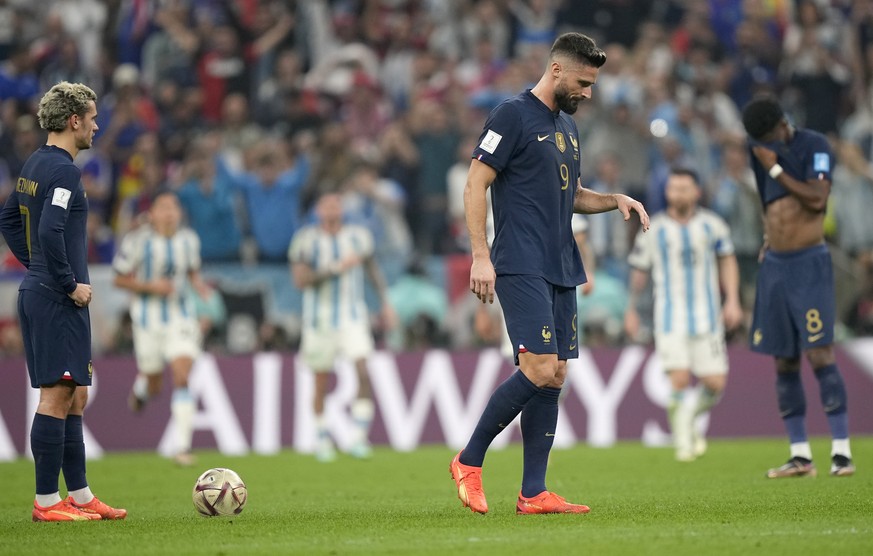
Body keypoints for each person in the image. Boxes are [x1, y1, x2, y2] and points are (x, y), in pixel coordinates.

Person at [451, 32, 649, 515]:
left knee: (556, 373)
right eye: (583, 82)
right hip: (520, 260)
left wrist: (613, 200)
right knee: (537, 366)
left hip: (562, 262)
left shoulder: (567, 127)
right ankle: (468, 460)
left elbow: (573, 193)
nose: (588, 92)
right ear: (557, 70)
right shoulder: (511, 115)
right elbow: (476, 182)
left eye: (593, 84)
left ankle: (534, 492)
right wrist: (481, 256)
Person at [0, 82, 127, 521]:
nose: (96, 124)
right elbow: (52, 230)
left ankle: (81, 494)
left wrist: (35, 266)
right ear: (74, 121)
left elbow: (7, 219)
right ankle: (46, 502)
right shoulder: (66, 172)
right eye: (91, 117)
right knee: (57, 396)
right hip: (56, 297)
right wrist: (67, 281)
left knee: (75, 396)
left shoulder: (35, 162)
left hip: (42, 290)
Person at [741, 95, 855, 478]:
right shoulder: (758, 148)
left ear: (782, 124)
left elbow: (817, 199)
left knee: (820, 355)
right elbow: (768, 203)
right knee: (784, 359)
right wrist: (768, 235)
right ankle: (800, 455)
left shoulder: (814, 145)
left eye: (768, 137)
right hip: (775, 265)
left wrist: (775, 170)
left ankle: (841, 451)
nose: (764, 145)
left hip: (809, 262)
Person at [624, 169, 743, 462]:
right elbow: (640, 271)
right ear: (667, 193)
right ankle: (683, 443)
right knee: (678, 379)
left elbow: (727, 261)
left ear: (696, 192)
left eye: (684, 188)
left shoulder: (713, 226)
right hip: (669, 318)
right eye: (673, 188)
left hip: (708, 317)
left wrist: (733, 301)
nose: (677, 193)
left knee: (715, 383)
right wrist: (630, 308)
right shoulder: (655, 228)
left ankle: (689, 417)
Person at [288, 191, 396, 462]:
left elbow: (372, 269)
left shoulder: (358, 237)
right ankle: (322, 438)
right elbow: (300, 281)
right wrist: (336, 267)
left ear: (342, 208)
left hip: (352, 317)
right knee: (321, 379)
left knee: (362, 370)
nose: (332, 210)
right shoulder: (305, 240)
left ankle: (358, 438)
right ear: (318, 210)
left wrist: (385, 303)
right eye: (326, 205)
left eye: (336, 204)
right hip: (318, 320)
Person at [112, 189, 210, 466]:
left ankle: (182, 447)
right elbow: (118, 279)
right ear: (152, 213)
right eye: (164, 207)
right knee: (154, 382)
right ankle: (143, 388)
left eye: (174, 207)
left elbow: (192, 272)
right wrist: (149, 287)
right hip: (147, 320)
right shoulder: (137, 241)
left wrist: (200, 288)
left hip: (181, 317)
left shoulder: (190, 240)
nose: (169, 213)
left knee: (181, 373)